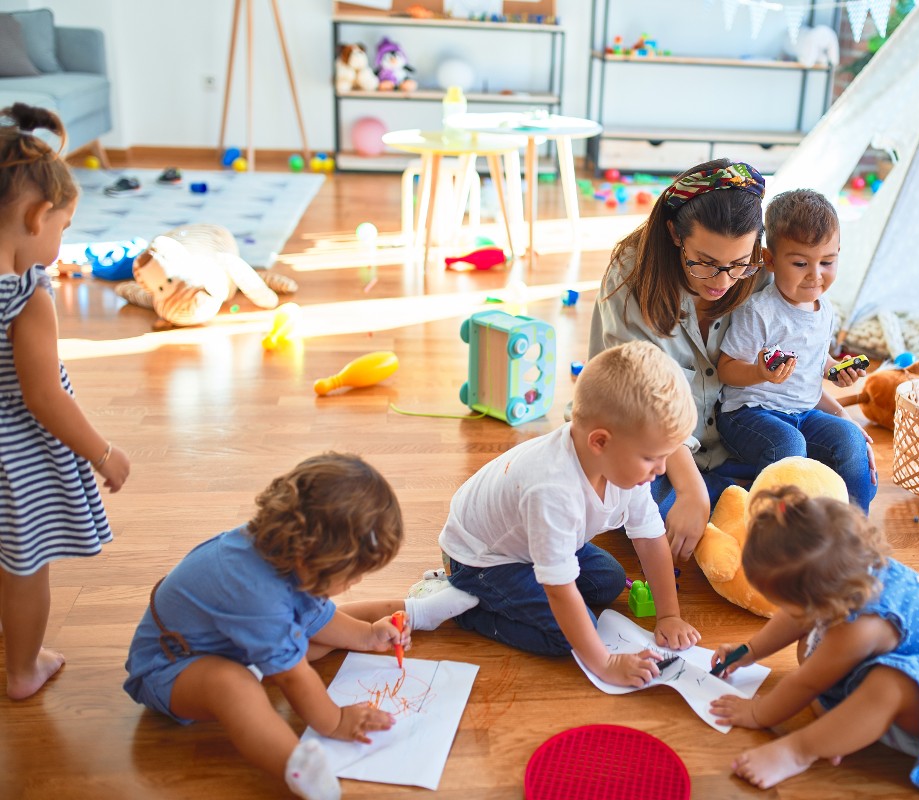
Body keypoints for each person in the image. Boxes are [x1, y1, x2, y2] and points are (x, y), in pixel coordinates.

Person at [405, 341, 702, 688]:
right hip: (481, 560)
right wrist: (604, 662)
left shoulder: (625, 469)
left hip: (530, 543)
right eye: (652, 458)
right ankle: (467, 607)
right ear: (600, 442)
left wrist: (669, 615)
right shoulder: (552, 490)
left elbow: (650, 539)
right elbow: (561, 591)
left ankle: (507, 592)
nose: (662, 469)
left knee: (607, 580)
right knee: (570, 639)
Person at [124, 453, 407, 800]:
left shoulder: (284, 553)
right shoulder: (254, 590)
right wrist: (334, 721)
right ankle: (297, 766)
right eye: (354, 573)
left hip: (224, 646)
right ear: (312, 558)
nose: (358, 580)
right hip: (168, 669)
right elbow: (292, 677)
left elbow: (317, 613)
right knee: (233, 686)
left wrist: (367, 636)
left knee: (310, 646)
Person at [709, 487, 919, 798]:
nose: (782, 608)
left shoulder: (862, 628)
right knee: (810, 648)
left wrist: (758, 714)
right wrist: (751, 651)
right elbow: (796, 618)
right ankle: (845, 730)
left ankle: (799, 751)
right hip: (885, 657)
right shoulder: (839, 572)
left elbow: (804, 685)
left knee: (888, 685)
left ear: (816, 599)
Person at [0, 104, 131, 700]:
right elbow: (44, 396)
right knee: (24, 568)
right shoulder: (27, 294)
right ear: (36, 216)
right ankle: (25, 668)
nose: (62, 240)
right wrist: (103, 453)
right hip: (15, 462)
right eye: (64, 226)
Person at [589, 159, 768, 562]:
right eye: (704, 262)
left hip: (732, 442)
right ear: (674, 233)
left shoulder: (762, 268)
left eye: (738, 264)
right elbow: (648, 399)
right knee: (653, 514)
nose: (722, 281)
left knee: (826, 467)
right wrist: (690, 489)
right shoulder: (631, 275)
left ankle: (728, 504)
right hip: (648, 443)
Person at [715, 189, 877, 512]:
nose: (815, 275)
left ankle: (853, 527)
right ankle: (779, 530)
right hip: (748, 413)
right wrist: (759, 372)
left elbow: (816, 361)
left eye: (827, 262)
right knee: (789, 445)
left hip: (802, 413)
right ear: (771, 260)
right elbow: (726, 367)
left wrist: (834, 369)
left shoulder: (825, 309)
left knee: (850, 440)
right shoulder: (760, 311)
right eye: (801, 263)